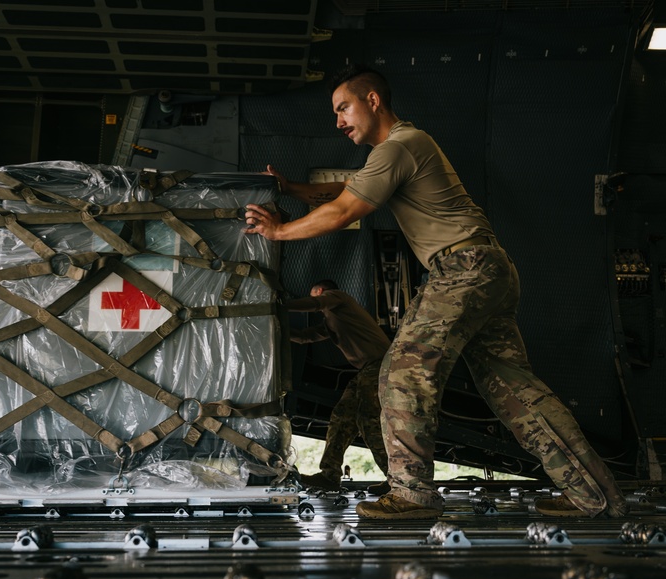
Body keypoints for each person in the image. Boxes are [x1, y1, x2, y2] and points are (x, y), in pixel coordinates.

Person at [245, 65, 628, 520]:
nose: (338, 122)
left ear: (372, 101)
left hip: (461, 269)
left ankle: (412, 496)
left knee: (403, 373)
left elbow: (344, 209)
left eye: (343, 108)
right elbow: (338, 191)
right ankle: (594, 495)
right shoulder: (404, 149)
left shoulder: (397, 147)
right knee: (517, 392)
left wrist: (278, 231)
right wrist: (291, 188)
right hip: (488, 268)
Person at [288, 279, 392, 495]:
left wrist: (280, 305)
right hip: (367, 370)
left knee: (368, 419)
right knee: (342, 417)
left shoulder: (339, 298)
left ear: (319, 290)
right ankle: (329, 475)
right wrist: (277, 328)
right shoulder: (333, 320)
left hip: (381, 365)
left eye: (314, 294)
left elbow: (315, 304)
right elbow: (305, 337)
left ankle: (397, 480)